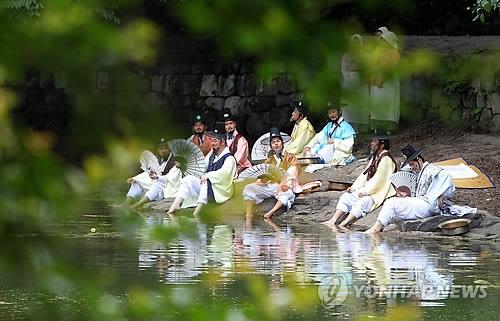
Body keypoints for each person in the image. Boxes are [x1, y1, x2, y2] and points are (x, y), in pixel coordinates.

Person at [365, 145, 455, 234]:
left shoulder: (431, 169)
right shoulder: (419, 172)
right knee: (395, 209)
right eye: (410, 165)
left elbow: (446, 176)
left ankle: (376, 228)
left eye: (412, 164)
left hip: (428, 204)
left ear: (419, 160)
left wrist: (442, 194)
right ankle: (379, 228)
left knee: (391, 202)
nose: (412, 167)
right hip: (422, 203)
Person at [243, 127, 322, 220]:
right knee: (248, 188)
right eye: (273, 142)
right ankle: (249, 214)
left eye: (278, 141)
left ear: (282, 143)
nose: (276, 144)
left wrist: (286, 182)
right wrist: (260, 180)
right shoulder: (269, 160)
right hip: (272, 186)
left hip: (285, 186)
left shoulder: (290, 157)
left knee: (287, 193)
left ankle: (270, 212)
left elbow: (295, 170)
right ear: (271, 146)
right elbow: (263, 173)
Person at [322, 136, 397, 229]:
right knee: (346, 196)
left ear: (381, 145)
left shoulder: (386, 159)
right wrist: (354, 187)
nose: (372, 144)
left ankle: (344, 223)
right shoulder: (375, 157)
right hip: (369, 188)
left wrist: (366, 192)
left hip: (379, 192)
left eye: (374, 142)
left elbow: (380, 179)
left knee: (363, 202)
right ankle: (333, 220)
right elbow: (364, 174)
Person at [167, 122, 237, 216]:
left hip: (221, 189)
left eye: (215, 141)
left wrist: (208, 175)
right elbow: (202, 165)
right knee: (188, 179)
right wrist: (185, 165)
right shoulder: (212, 155)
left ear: (223, 142)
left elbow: (225, 174)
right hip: (210, 186)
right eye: (211, 141)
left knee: (206, 181)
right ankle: (176, 204)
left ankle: (198, 210)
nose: (212, 143)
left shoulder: (229, 158)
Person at [303, 105, 356, 170]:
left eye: (333, 112)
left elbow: (349, 144)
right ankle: (313, 158)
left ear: (339, 112)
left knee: (329, 147)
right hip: (328, 148)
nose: (331, 115)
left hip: (339, 151)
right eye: (330, 113)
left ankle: (317, 159)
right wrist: (309, 146)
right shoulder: (329, 125)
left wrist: (335, 141)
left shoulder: (347, 127)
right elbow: (319, 136)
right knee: (315, 146)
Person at [125, 138, 176, 203]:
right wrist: (136, 178)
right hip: (153, 182)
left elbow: (170, 178)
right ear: (158, 150)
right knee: (137, 182)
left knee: (154, 183)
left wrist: (157, 176)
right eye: (161, 149)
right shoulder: (157, 159)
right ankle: (126, 203)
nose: (163, 151)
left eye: (166, 149)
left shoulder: (173, 161)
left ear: (169, 150)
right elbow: (147, 172)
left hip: (164, 186)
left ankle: (137, 205)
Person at [370, 29, 400, 134]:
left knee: (389, 104)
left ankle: (389, 128)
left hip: (388, 82)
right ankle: (377, 127)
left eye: (384, 40)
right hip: (376, 81)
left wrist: (382, 79)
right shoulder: (378, 52)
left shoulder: (394, 53)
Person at [341, 34, 370, 129]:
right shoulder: (346, 55)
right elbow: (344, 69)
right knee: (349, 105)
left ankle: (361, 126)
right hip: (349, 82)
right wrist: (349, 78)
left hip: (362, 82)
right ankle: (348, 126)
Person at [222, 109, 251, 174]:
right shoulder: (222, 139)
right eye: (226, 124)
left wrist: (226, 167)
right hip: (226, 167)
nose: (229, 126)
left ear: (235, 124)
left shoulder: (241, 140)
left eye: (231, 123)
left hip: (241, 168)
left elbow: (238, 158)